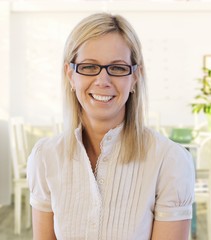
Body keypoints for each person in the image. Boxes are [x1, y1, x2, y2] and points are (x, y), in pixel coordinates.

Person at [27, 12, 195, 240]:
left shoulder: (169, 161)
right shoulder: (45, 157)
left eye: (117, 68)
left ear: (135, 77)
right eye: (88, 67)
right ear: (70, 75)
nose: (103, 81)